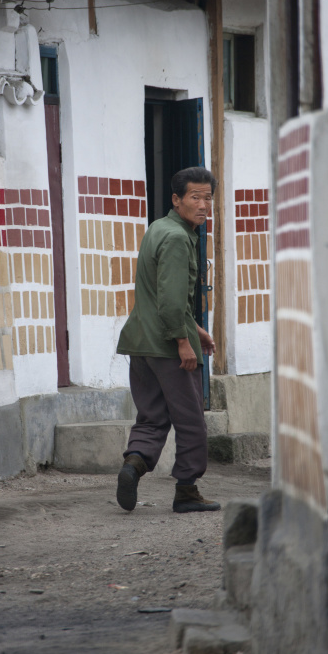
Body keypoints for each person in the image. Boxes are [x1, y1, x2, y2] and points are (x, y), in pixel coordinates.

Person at [116, 167, 221, 514]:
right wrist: (183, 341)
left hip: (140, 342)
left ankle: (133, 464)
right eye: (195, 197)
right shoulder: (177, 238)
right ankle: (187, 491)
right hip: (167, 346)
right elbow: (172, 300)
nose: (204, 205)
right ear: (176, 200)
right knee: (190, 419)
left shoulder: (158, 229)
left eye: (208, 197)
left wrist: (196, 329)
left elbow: (158, 292)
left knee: (151, 416)